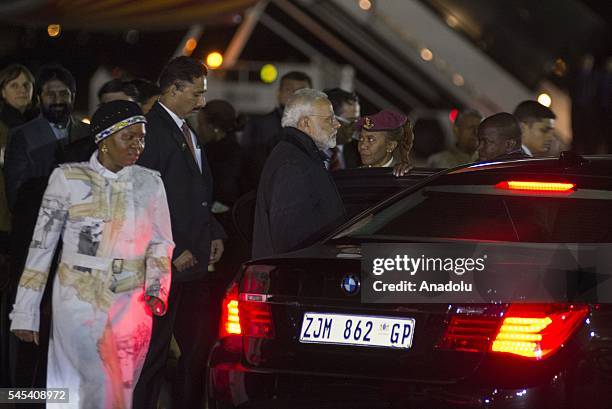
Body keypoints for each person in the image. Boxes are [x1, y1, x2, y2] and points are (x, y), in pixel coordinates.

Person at [9, 100, 173, 409]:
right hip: (78, 301)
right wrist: (25, 312)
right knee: (76, 391)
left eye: (142, 137)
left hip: (132, 304)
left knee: (118, 392)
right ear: (104, 140)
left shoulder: (150, 182)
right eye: (129, 137)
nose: (138, 145)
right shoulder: (68, 179)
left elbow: (161, 242)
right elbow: (41, 247)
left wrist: (157, 288)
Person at [134, 56, 226, 409]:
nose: (202, 102)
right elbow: (143, 200)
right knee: (153, 355)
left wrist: (213, 229)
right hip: (166, 265)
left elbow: (197, 190)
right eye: (196, 94)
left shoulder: (186, 130)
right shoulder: (150, 131)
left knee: (191, 351)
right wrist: (170, 250)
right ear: (172, 89)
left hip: (195, 263)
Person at [252, 88, 345, 258]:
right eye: (330, 119)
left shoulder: (300, 155)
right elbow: (290, 238)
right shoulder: (293, 163)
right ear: (305, 123)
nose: (337, 124)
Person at [0, 63, 37, 387]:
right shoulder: (6, 128)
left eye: (26, 84)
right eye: (14, 85)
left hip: (22, 231)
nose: (22, 90)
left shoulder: (34, 126)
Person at [241, 71, 312, 191]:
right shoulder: (259, 124)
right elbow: (249, 165)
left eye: (301, 90)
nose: (295, 95)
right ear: (278, 93)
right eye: (289, 89)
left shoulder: (317, 126)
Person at [323, 88, 361, 169]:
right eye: (351, 121)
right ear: (331, 119)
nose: (356, 127)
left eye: (357, 120)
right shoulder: (308, 149)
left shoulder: (360, 150)